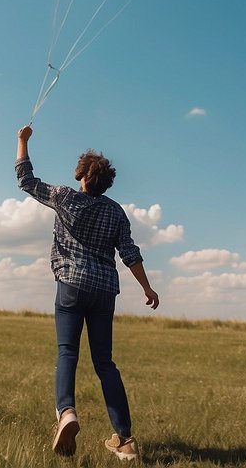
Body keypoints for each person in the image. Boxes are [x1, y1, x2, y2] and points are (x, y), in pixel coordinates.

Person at [16, 124, 159, 461]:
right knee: (105, 363)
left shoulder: (64, 197)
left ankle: (66, 413)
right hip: (104, 291)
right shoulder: (115, 212)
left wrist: (22, 141)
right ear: (107, 182)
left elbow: (25, 180)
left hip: (70, 285)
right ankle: (124, 440)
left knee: (67, 353)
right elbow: (130, 253)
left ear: (81, 175)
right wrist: (147, 287)